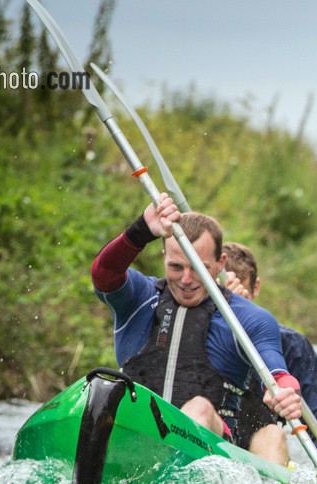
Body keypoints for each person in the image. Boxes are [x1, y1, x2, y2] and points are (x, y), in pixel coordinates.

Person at [90, 193, 302, 466]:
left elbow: (278, 374)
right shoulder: (140, 298)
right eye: (176, 267)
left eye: (199, 268)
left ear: (221, 263)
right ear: (164, 255)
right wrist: (141, 230)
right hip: (137, 439)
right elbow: (103, 272)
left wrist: (285, 392)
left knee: (204, 409)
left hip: (215, 454)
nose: (187, 280)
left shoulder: (248, 317)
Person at [221, 242, 317, 458]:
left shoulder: (292, 345)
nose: (235, 304)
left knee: (273, 435)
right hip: (208, 434)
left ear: (256, 287)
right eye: (227, 294)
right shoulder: (192, 327)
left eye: (241, 295)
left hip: (261, 447)